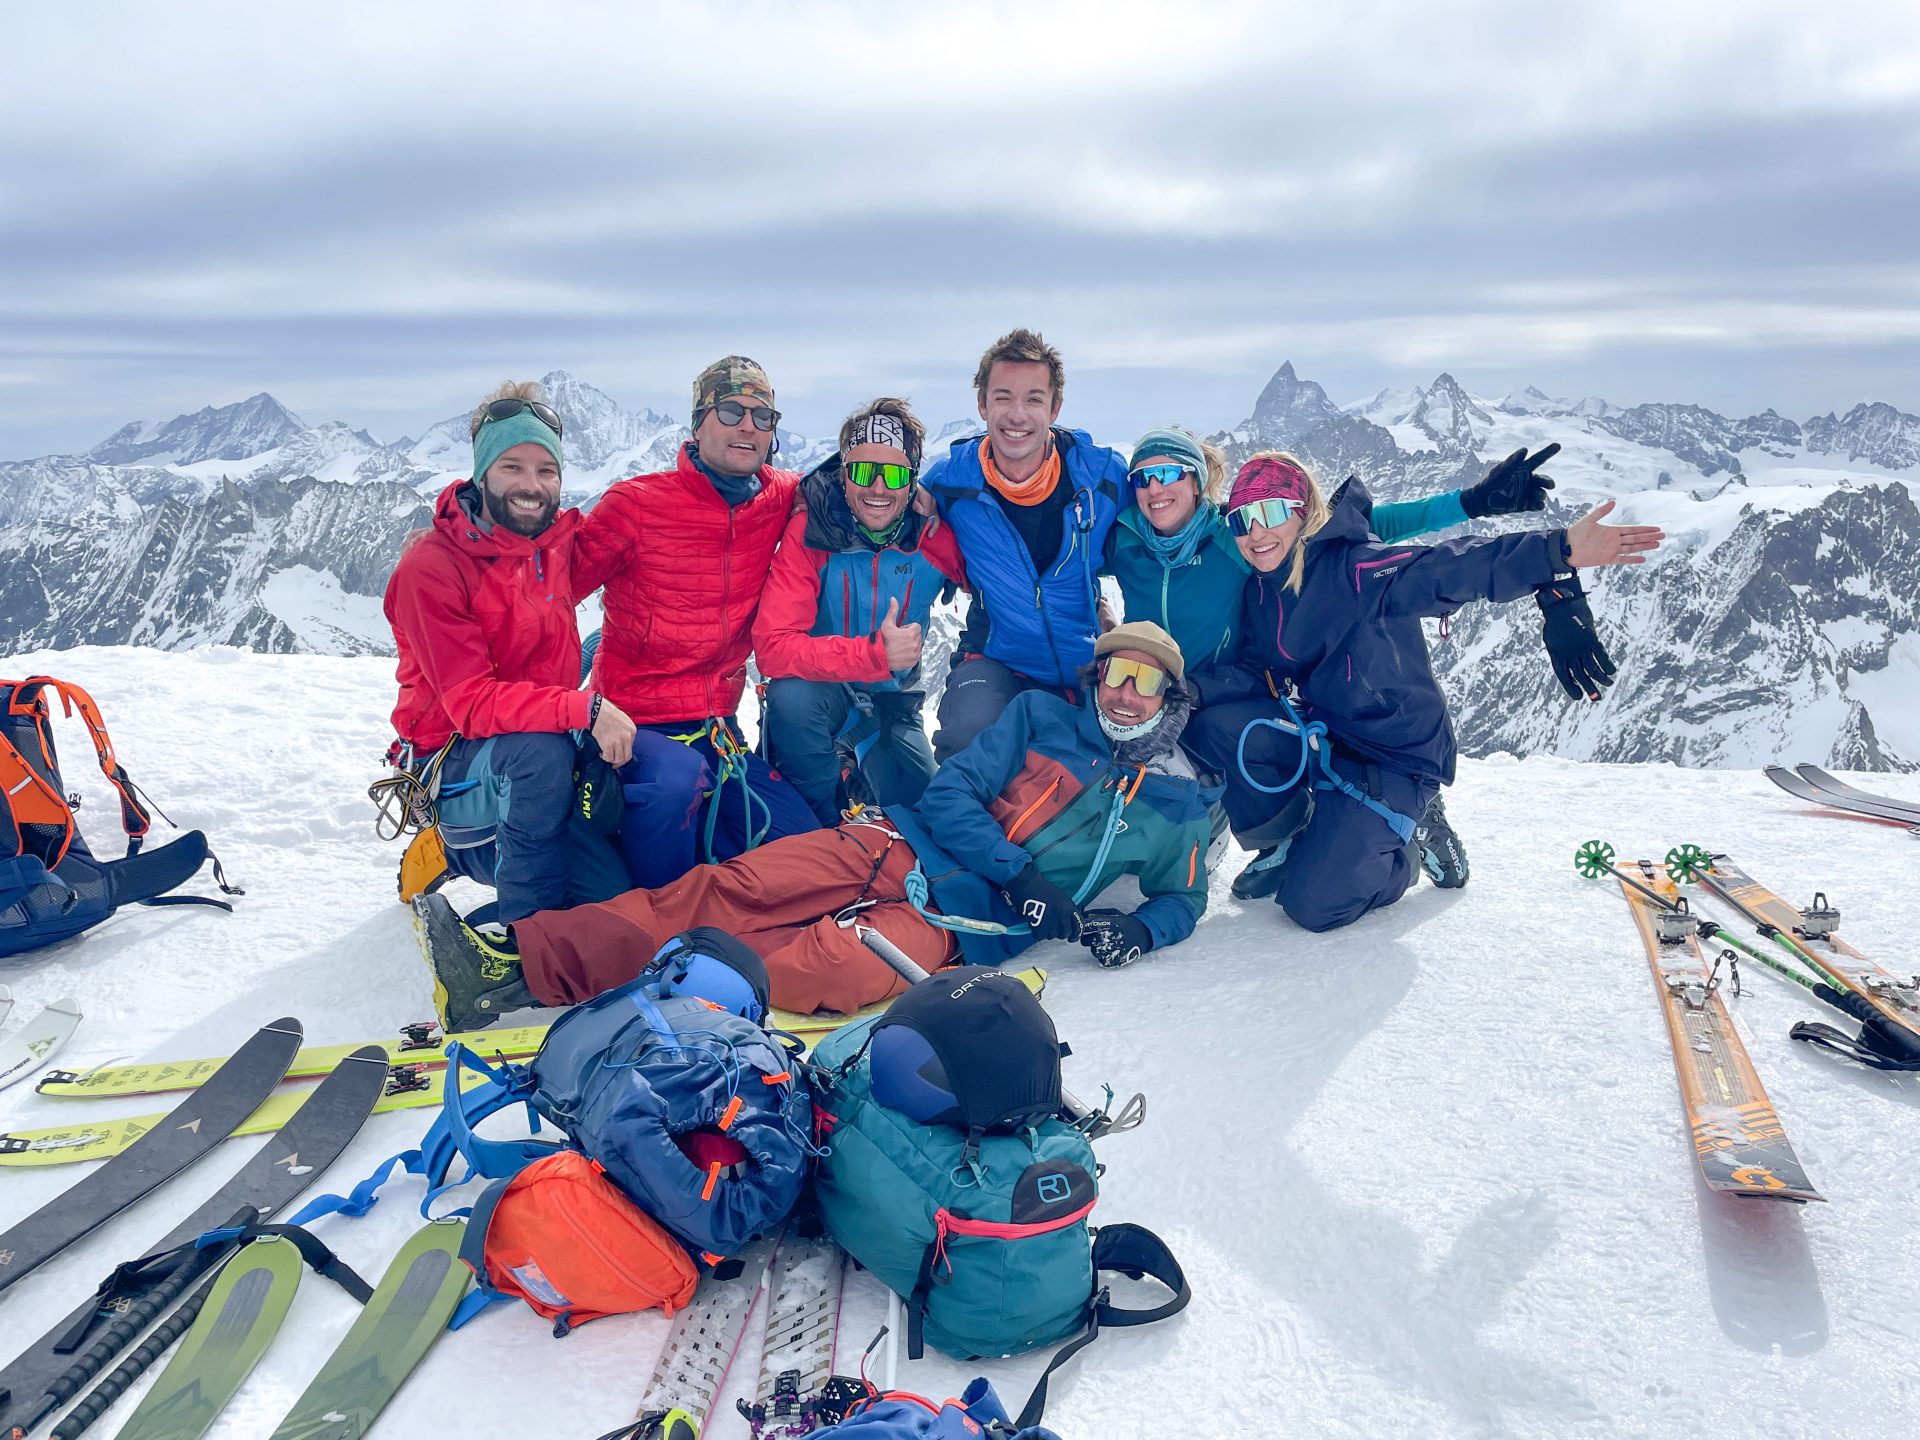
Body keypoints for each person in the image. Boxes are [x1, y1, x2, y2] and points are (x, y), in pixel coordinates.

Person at [413, 621, 1215, 1029]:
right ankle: (517, 965)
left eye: (1145, 681)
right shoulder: (1041, 717)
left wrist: (1140, 934)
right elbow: (949, 797)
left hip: (960, 925)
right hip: (895, 845)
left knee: (827, 969)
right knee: (732, 891)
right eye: (1114, 672)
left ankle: (660, 1000)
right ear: (1096, 677)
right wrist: (1026, 877)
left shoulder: (1172, 806)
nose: (1124, 692)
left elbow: (1184, 897)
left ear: (1167, 698)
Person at [1182, 451, 1662, 931]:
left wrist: (1557, 553)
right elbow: (1253, 666)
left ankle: (1408, 847)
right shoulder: (1261, 589)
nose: (1256, 533)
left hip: (1395, 753)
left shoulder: (1356, 569)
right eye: (1241, 519)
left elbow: (1447, 568)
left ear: (1303, 511)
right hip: (1325, 737)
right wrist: (1185, 688)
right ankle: (1293, 840)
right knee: (1214, 724)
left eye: (1270, 512)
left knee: (1313, 906)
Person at [1111, 428, 1587, 885]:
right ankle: (1292, 829)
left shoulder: (1232, 535)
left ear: (1196, 480)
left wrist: (1472, 504)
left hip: (1269, 699)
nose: (1155, 488)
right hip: (1203, 687)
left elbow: (1350, 532)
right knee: (1170, 742)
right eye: (1141, 478)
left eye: (1170, 473)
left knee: (1223, 742)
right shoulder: (1127, 541)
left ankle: (1379, 818)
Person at [381, 380, 634, 923]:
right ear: (482, 472)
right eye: (512, 466)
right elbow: (471, 705)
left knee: (611, 893)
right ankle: (526, 932)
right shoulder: (432, 569)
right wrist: (585, 709)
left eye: (546, 471)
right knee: (541, 758)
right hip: (455, 760)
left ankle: (479, 855)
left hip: (531, 749)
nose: (531, 484)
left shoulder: (549, 549)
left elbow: (637, 544)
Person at [571, 356, 819, 889]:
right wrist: (453, 542)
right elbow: (548, 586)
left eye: (763, 416)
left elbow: (853, 493)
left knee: (801, 842)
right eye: (731, 411)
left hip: (717, 730)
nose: (748, 426)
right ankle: (659, 910)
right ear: (698, 422)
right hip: (633, 723)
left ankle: (677, 857)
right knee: (675, 785)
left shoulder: (778, 496)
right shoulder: (635, 505)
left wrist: (921, 499)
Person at [752, 398, 969, 826]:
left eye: (894, 474)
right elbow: (772, 649)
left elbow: (993, 583)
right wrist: (874, 655)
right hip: (820, 696)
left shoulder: (934, 536)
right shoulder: (811, 531)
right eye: (864, 471)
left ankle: (855, 776)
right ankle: (818, 823)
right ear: (844, 474)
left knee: (926, 820)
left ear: (912, 482)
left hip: (892, 703)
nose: (878, 489)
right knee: (791, 698)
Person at [923, 328, 1131, 761]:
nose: (1017, 414)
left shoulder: (1103, 479)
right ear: (982, 404)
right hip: (997, 662)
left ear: (1054, 409)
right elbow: (883, 501)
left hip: (1087, 667)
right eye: (1002, 397)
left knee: (1100, 771)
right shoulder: (951, 484)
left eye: (1033, 399)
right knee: (968, 741)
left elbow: (1165, 516)